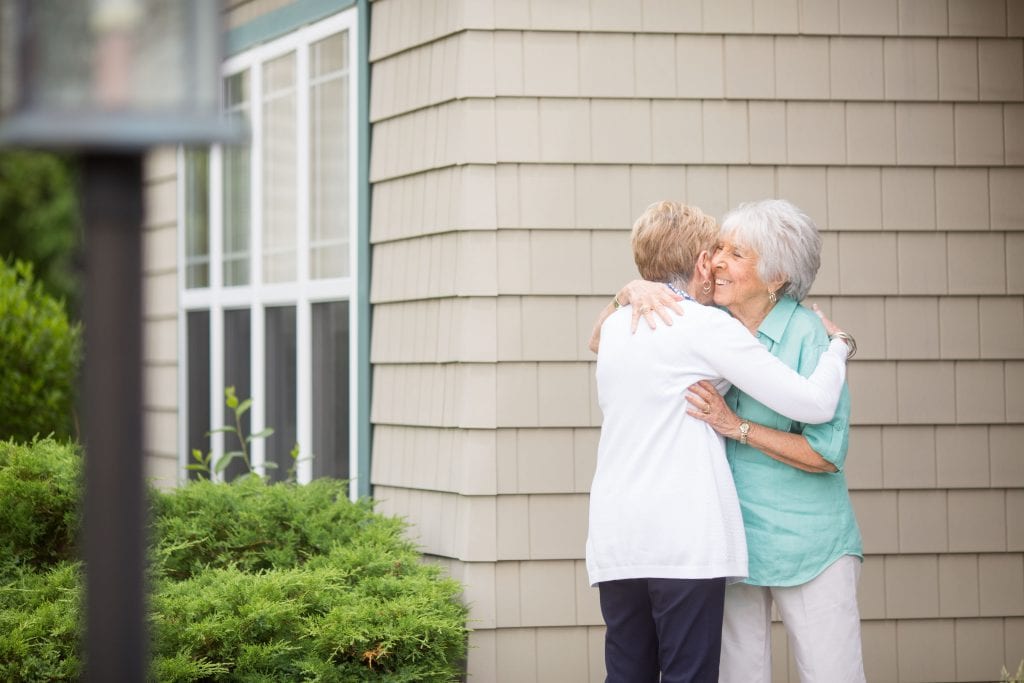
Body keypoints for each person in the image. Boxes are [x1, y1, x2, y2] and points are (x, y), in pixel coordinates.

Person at [588, 200, 855, 682]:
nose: (718, 263)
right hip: (683, 543)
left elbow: (593, 340)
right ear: (698, 264)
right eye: (715, 252)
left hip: (617, 539)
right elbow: (815, 405)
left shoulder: (613, 327)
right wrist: (840, 346)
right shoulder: (706, 327)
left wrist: (627, 291)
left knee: (627, 673)